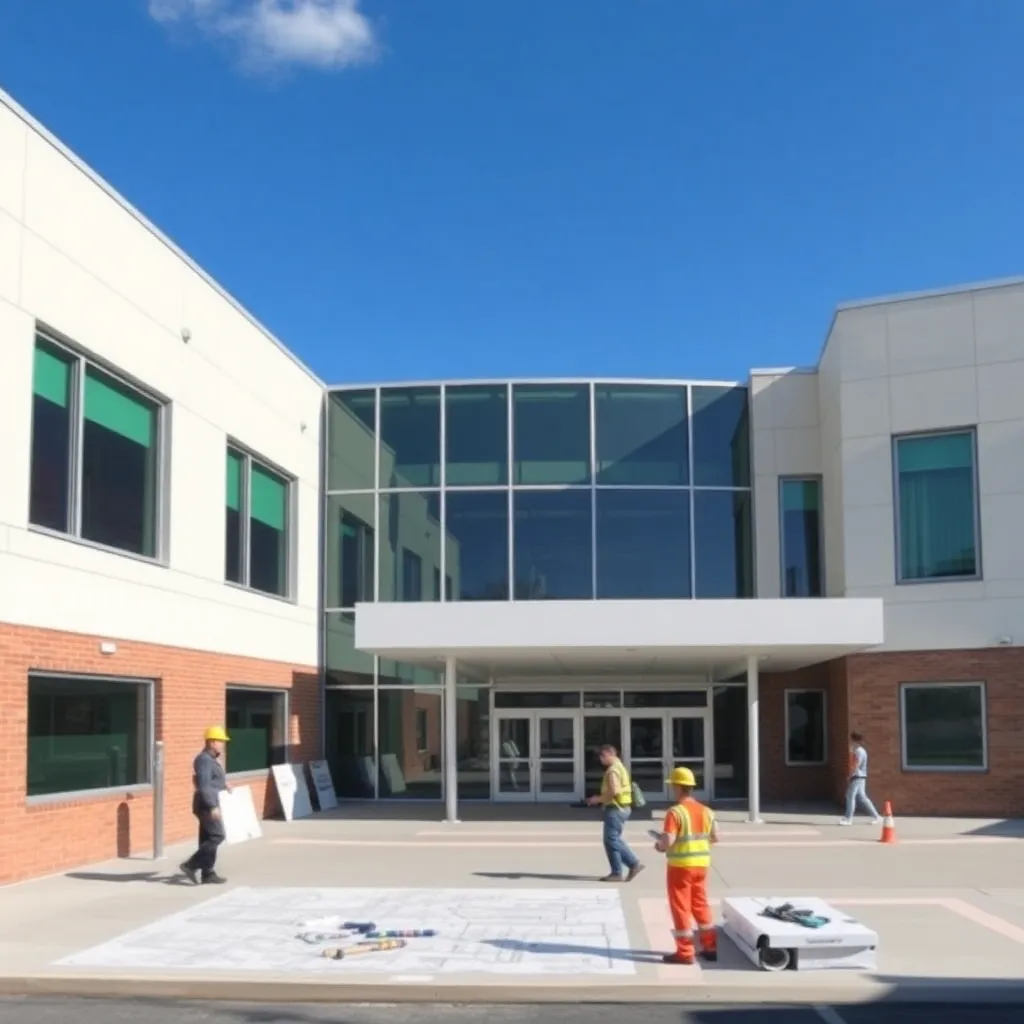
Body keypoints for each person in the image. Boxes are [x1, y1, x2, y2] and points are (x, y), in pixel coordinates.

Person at [652, 766, 718, 965]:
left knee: (680, 907)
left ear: (678, 787)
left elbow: (668, 840)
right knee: (700, 904)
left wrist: (660, 845)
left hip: (681, 867)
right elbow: (715, 837)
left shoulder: (675, 812)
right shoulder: (706, 811)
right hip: (702, 865)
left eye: (673, 785)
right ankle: (710, 946)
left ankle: (685, 952)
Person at [180, 725, 231, 885]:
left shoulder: (211, 759)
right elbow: (204, 785)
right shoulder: (204, 760)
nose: (223, 744)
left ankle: (208, 873)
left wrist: (224, 785)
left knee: (207, 838)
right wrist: (212, 806)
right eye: (220, 741)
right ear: (211, 742)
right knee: (218, 835)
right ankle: (190, 865)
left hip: (208, 802)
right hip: (206, 805)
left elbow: (212, 782)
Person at [585, 744, 644, 883]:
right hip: (622, 807)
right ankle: (617, 872)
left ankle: (633, 864)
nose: (600, 760)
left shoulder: (613, 771)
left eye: (601, 757)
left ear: (607, 754)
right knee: (612, 839)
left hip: (616, 808)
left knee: (612, 840)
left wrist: (597, 799)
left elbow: (614, 791)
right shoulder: (620, 767)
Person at [840, 731, 881, 826]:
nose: (850, 741)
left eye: (851, 739)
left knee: (850, 796)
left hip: (857, 776)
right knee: (862, 797)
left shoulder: (858, 751)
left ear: (854, 740)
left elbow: (854, 764)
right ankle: (876, 816)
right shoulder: (860, 750)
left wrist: (850, 775)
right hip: (861, 776)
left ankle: (848, 818)